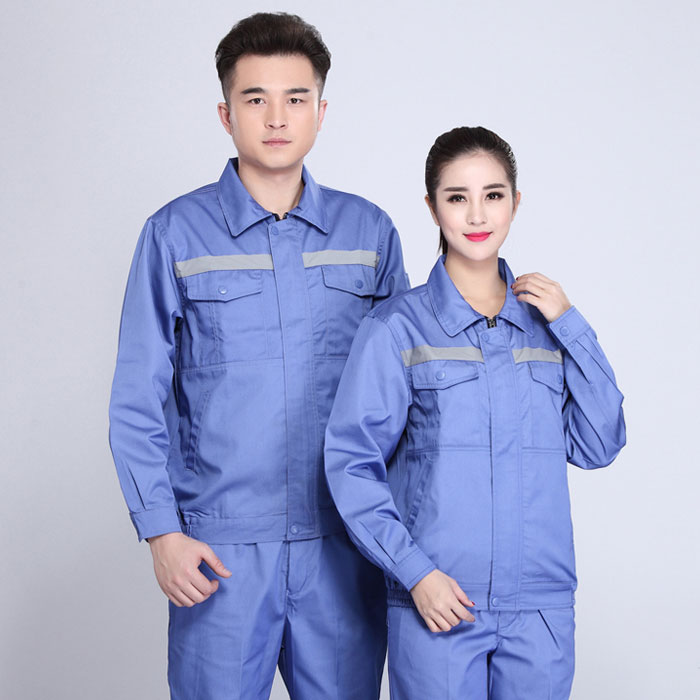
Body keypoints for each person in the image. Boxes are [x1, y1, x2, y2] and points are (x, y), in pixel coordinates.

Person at [108, 12, 409, 699]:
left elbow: (405, 399)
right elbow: (137, 396)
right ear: (226, 114)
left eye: (295, 98)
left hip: (346, 547)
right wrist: (161, 532)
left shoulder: (369, 233)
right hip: (219, 553)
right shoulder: (174, 235)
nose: (277, 118)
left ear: (321, 112)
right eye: (255, 99)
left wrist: (405, 538)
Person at [324, 126, 626, 699]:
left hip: (539, 608)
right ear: (432, 207)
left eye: (493, 194)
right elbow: (351, 465)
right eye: (457, 197)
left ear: (516, 201)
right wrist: (415, 573)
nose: (477, 214)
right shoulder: (397, 328)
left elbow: (600, 443)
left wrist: (571, 326)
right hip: (440, 603)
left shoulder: (546, 326)